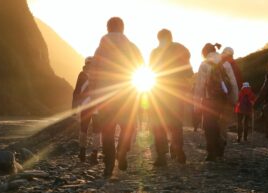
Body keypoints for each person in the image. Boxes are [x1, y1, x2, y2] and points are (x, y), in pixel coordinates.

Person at [89, 17, 144, 178]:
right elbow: (141, 68)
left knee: (107, 130)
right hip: (127, 94)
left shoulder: (100, 49)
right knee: (128, 127)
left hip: (106, 96)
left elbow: (93, 74)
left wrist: (94, 95)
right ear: (123, 28)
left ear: (107, 28)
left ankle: (109, 164)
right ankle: (122, 151)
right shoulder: (133, 47)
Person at [149, 29, 193, 167]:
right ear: (171, 37)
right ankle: (178, 149)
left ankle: (162, 156)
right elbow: (189, 72)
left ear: (159, 38)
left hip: (159, 93)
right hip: (176, 93)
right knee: (175, 123)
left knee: (158, 124)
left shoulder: (155, 52)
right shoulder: (181, 49)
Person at [193, 43, 238, 161]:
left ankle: (211, 151)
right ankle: (220, 145)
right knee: (221, 124)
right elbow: (232, 83)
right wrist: (234, 99)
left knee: (209, 125)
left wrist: (196, 105)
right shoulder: (226, 63)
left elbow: (199, 86)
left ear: (204, 53)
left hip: (209, 99)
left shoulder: (204, 64)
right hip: (224, 99)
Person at [72, 56, 100, 164]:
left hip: (86, 106)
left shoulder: (82, 75)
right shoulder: (98, 75)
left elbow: (76, 91)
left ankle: (83, 152)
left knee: (84, 129)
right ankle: (94, 154)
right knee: (96, 131)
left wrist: (74, 108)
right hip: (97, 107)